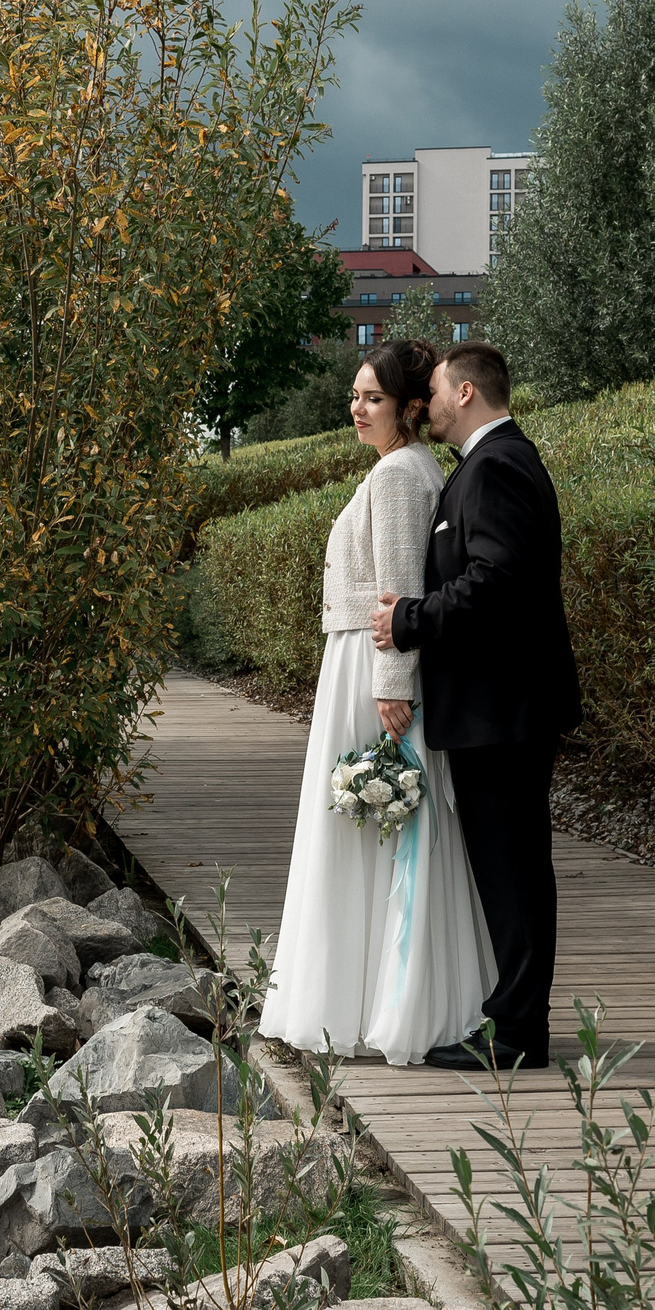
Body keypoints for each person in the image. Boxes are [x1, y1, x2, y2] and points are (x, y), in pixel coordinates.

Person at [259, 338, 497, 1065]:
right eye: (356, 397)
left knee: (369, 829)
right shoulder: (408, 467)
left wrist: (391, 684)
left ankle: (368, 1002)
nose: (358, 409)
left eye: (374, 398)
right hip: (363, 658)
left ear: (411, 407)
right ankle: (372, 994)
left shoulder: (398, 475)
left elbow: (401, 588)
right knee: (376, 830)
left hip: (372, 665)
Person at [371, 341, 580, 1071]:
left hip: (503, 710)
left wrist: (410, 618)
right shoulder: (491, 463)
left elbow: (496, 581)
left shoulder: (497, 466)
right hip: (498, 708)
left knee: (514, 870)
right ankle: (516, 1022)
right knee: (509, 868)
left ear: (465, 392)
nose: (425, 402)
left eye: (433, 389)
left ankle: (517, 1033)